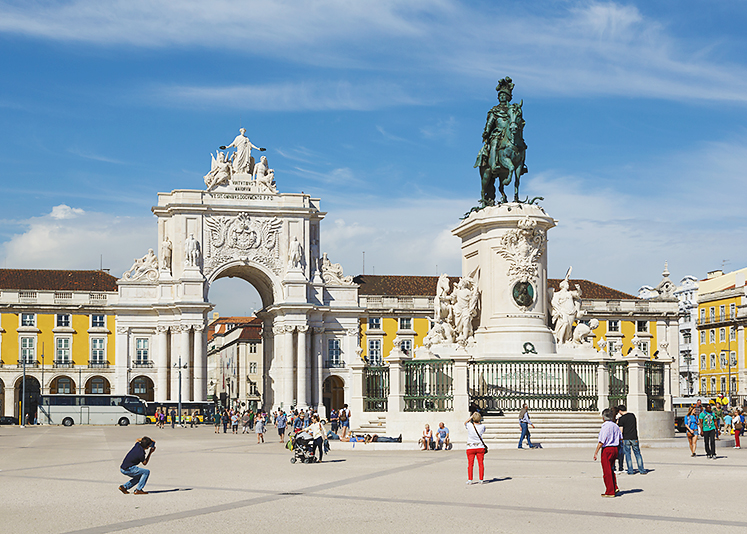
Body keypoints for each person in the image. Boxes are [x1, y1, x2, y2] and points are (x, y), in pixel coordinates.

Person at [593, 409, 622, 497]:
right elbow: (620, 437)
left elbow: (601, 441)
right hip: (615, 448)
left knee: (607, 471)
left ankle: (610, 491)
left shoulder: (605, 427)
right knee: (611, 469)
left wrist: (596, 452)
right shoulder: (615, 426)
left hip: (607, 449)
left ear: (603, 417)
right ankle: (614, 486)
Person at [616, 405, 646, 475]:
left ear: (620, 411)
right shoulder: (632, 415)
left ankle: (630, 470)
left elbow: (621, 431)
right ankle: (641, 470)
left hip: (626, 438)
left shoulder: (621, 419)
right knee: (638, 454)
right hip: (634, 437)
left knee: (628, 455)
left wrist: (618, 423)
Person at [465, 412, 487, 484]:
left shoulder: (469, 425)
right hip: (480, 446)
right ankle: (481, 479)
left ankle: (470, 479)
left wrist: (471, 417)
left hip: (470, 446)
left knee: (470, 464)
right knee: (481, 464)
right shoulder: (482, 426)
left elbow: (465, 422)